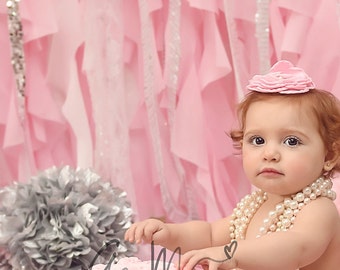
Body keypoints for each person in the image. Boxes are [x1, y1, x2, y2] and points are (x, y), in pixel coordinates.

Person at [124, 60, 340, 270]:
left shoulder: (318, 209)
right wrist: (169, 234)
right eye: (257, 140)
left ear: (329, 155)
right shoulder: (255, 206)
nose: (270, 154)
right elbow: (209, 235)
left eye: (291, 141)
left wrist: (232, 254)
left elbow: (296, 247)